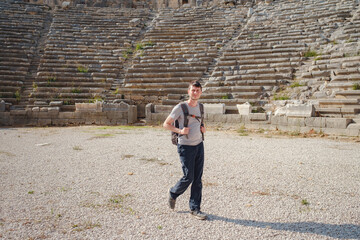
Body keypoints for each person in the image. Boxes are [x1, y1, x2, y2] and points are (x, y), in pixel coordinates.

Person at [163, 80, 207, 220]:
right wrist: (180, 131)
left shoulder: (201, 107)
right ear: (188, 91)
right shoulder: (180, 107)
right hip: (185, 146)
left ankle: (195, 209)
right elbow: (166, 124)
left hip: (199, 145)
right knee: (189, 176)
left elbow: (200, 122)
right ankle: (173, 193)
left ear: (200, 92)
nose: (195, 92)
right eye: (193, 90)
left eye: (197, 90)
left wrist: (203, 129)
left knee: (198, 179)